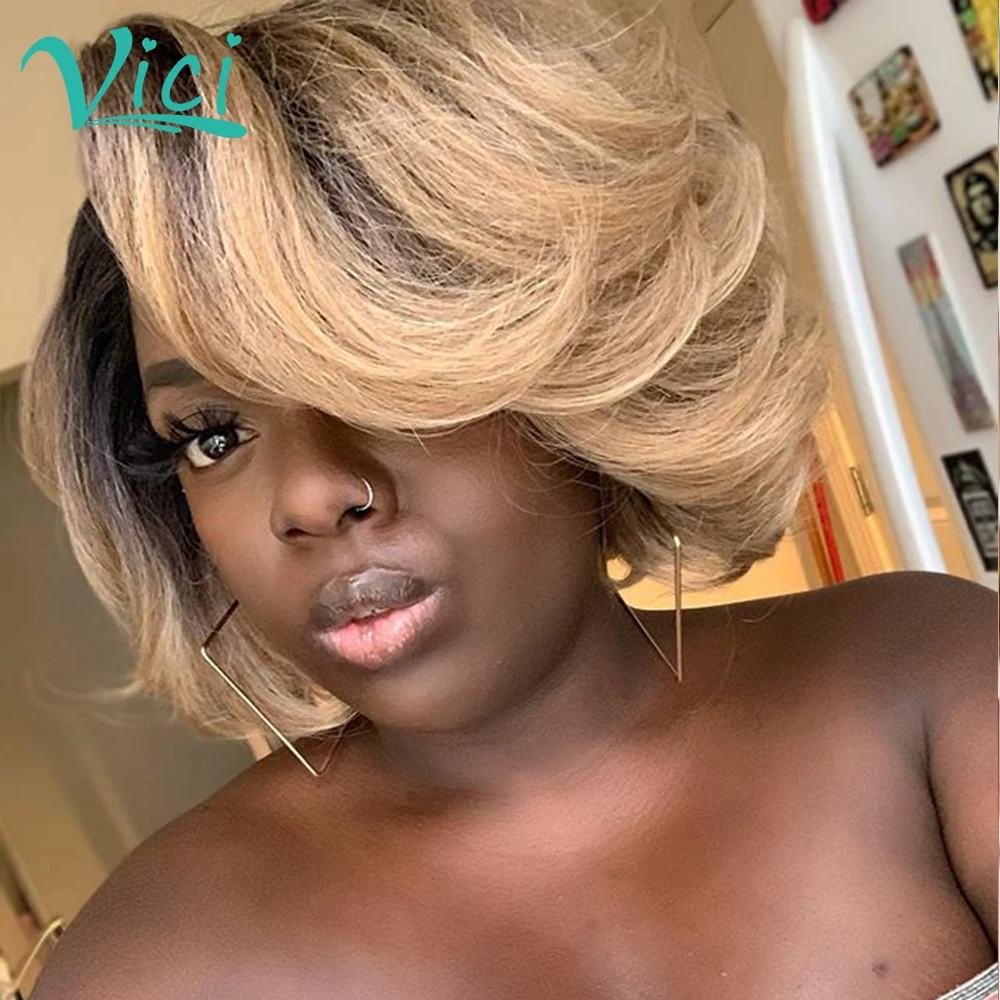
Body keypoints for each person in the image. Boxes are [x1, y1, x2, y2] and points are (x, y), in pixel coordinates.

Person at [18, 0, 997, 997]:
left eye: (379, 374)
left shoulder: (925, 682)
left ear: (581, 357)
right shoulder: (156, 965)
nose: (308, 495)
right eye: (213, 435)